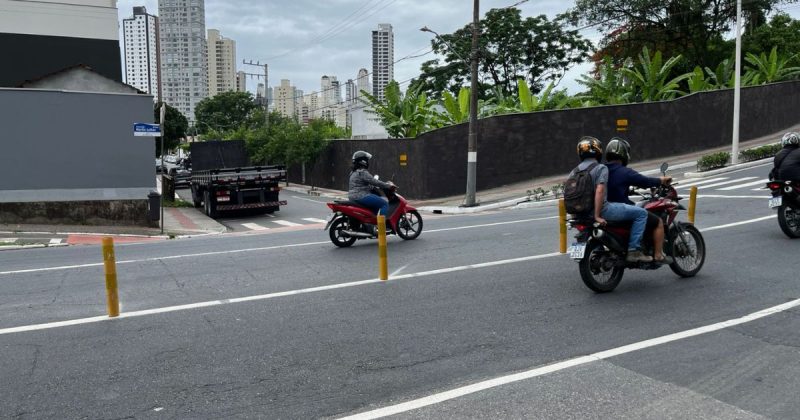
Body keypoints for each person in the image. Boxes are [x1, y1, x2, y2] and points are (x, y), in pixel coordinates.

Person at [568, 136, 652, 263]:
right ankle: (634, 250)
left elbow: (571, 194)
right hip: (602, 210)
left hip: (581, 214)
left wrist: (574, 214)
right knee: (642, 213)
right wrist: (597, 215)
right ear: (598, 151)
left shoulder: (574, 171)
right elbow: (600, 190)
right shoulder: (600, 168)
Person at [604, 137, 673, 263]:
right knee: (656, 221)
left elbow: (611, 186)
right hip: (617, 210)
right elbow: (644, 181)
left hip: (603, 211)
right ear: (624, 154)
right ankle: (654, 254)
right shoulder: (624, 172)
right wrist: (661, 181)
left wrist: (626, 189)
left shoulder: (601, 169)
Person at [348, 150, 394, 217]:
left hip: (352, 196)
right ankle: (381, 226)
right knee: (384, 204)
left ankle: (371, 224)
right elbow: (375, 182)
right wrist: (388, 185)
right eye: (367, 160)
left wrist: (371, 186)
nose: (367, 161)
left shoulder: (353, 172)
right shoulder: (362, 172)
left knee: (374, 207)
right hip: (361, 196)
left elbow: (360, 184)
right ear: (363, 161)